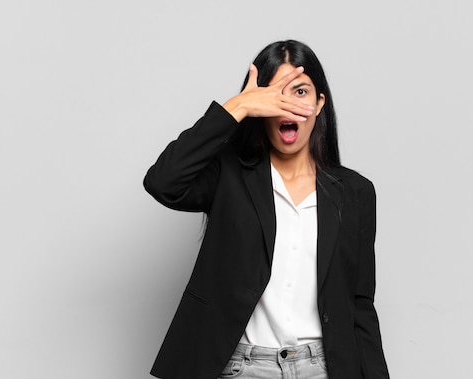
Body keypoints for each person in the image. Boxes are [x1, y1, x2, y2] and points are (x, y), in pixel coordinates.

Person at [144, 40, 390, 379]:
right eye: (276, 94)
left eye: (300, 92)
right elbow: (163, 182)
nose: (288, 106)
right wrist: (237, 107)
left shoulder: (355, 193)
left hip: (324, 368)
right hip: (241, 368)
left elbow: (360, 304)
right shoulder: (228, 176)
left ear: (320, 103)